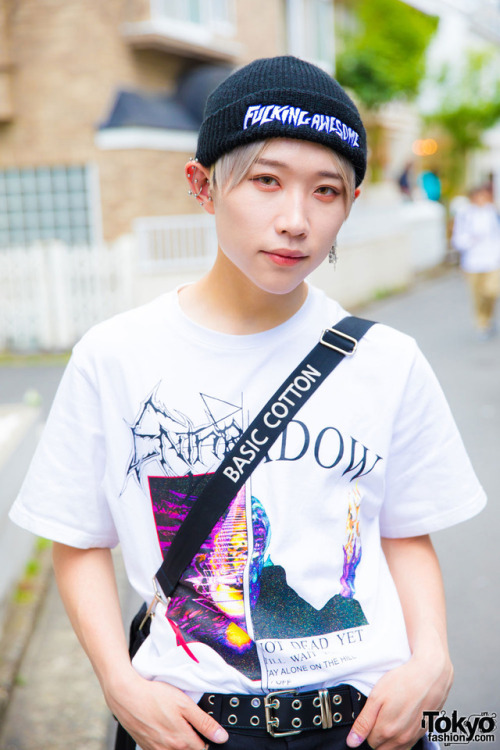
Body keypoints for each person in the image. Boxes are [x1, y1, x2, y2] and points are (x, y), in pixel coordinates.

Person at [10, 56, 486, 750]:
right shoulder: (115, 357)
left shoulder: (387, 361)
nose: (295, 220)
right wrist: (117, 682)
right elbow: (77, 537)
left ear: (349, 206)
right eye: (266, 181)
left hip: (363, 722)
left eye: (327, 191)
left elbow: (407, 531)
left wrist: (433, 657)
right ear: (203, 185)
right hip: (189, 724)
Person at [452, 184, 500, 339]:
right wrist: (471, 239)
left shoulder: (493, 213)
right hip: (472, 262)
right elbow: (458, 239)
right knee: (477, 295)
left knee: (491, 290)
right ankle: (482, 323)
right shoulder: (465, 215)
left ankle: (488, 316)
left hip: (492, 260)